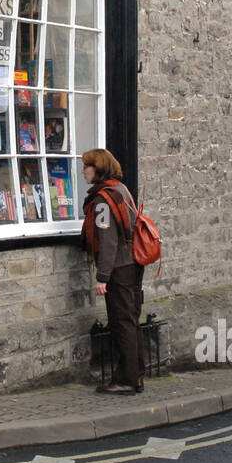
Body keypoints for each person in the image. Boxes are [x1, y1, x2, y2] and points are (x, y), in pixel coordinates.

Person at [81, 148, 146, 395]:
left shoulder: (102, 201)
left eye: (88, 166)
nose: (84, 171)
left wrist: (103, 277)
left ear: (99, 169)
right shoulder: (121, 189)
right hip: (133, 264)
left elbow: (107, 240)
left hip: (118, 268)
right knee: (130, 322)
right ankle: (135, 375)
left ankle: (127, 381)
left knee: (122, 324)